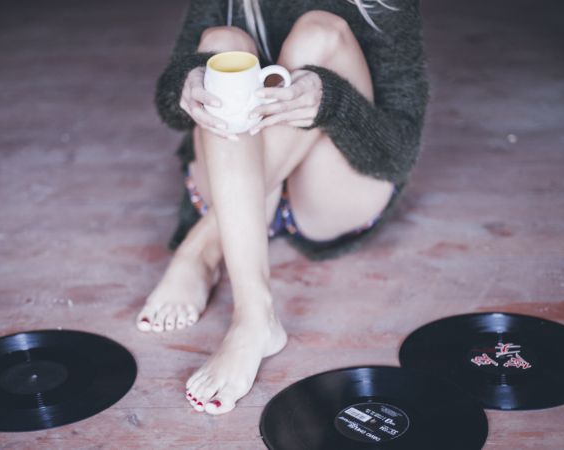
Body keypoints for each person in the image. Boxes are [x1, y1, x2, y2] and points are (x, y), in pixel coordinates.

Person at [138, 0, 428, 415]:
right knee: (221, 45)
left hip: (329, 197)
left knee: (321, 33)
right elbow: (171, 110)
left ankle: (203, 247)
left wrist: (330, 100)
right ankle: (255, 315)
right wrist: (184, 83)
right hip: (227, 170)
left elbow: (396, 156)